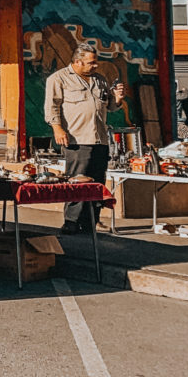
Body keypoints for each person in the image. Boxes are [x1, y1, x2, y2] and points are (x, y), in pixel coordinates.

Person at [44, 42, 126, 234]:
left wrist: (118, 98)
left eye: (95, 62)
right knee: (76, 182)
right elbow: (52, 106)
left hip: (99, 139)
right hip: (76, 138)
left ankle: (91, 222)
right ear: (78, 62)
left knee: (97, 183)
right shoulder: (59, 79)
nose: (95, 66)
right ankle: (71, 222)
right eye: (91, 63)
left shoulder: (99, 80)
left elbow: (110, 106)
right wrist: (57, 129)